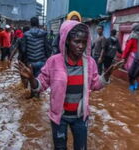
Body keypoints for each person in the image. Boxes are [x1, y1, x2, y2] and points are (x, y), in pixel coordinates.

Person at [18, 20, 121, 149]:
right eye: (77, 41)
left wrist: (107, 74)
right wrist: (32, 78)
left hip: (80, 116)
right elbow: (41, 86)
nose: (81, 46)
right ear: (67, 41)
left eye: (84, 42)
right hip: (59, 117)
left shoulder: (90, 63)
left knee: (81, 147)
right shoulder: (53, 62)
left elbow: (95, 85)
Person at [120, 23, 139, 91]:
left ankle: (132, 88)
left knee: (131, 73)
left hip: (133, 57)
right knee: (136, 73)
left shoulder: (132, 36)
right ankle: (135, 86)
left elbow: (128, 48)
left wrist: (123, 57)